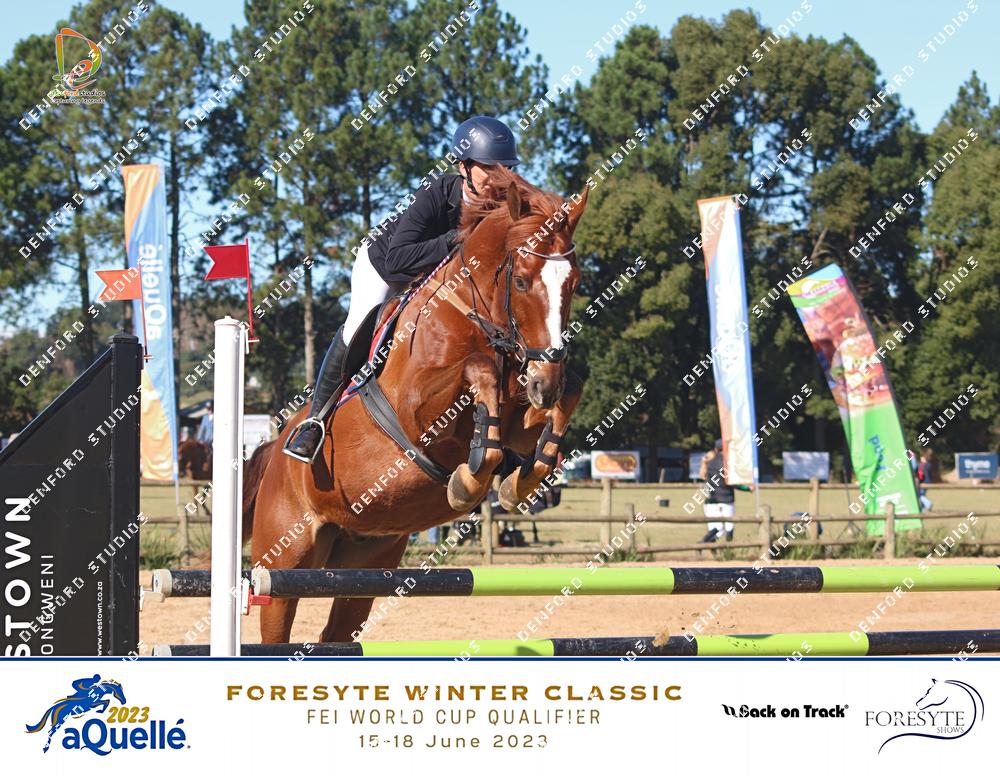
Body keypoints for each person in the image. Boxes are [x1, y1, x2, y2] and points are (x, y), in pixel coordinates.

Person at [283, 116, 521, 463]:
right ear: (464, 166)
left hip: (436, 278)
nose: (498, 178)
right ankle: (315, 420)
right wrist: (456, 239)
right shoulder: (436, 193)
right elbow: (398, 260)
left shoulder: (502, 205)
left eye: (505, 168)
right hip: (385, 268)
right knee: (357, 326)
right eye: (488, 168)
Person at [698, 438, 752, 543]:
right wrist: (747, 488)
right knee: (729, 527)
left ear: (715, 449)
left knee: (716, 529)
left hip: (711, 500)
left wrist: (704, 461)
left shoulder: (709, 463)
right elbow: (733, 483)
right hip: (726, 499)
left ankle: (703, 544)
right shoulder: (729, 464)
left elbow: (703, 475)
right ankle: (728, 549)